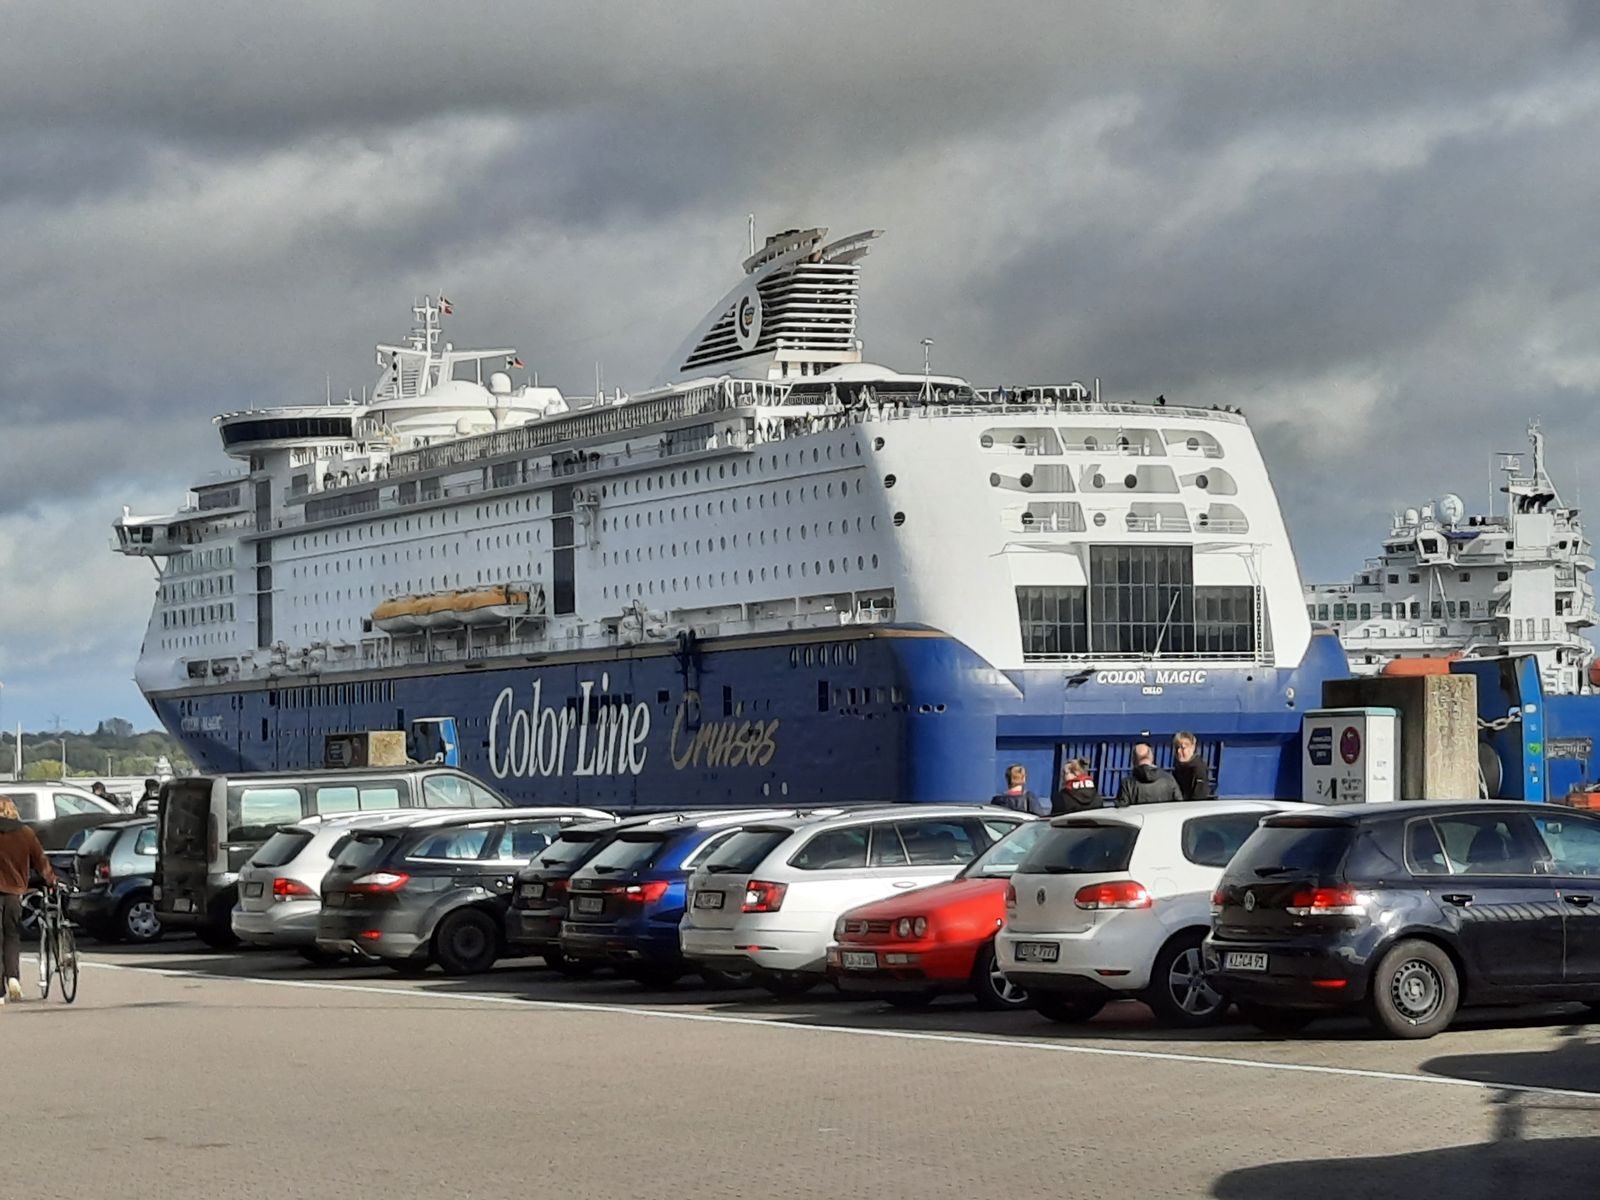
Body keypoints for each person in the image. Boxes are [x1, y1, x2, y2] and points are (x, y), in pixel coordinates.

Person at [0, 795, 56, 1004]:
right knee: (12, 936)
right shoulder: (25, 833)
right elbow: (41, 861)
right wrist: (50, 880)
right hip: (14, 891)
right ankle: (13, 978)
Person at [1115, 742, 1184, 807]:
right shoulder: (1169, 779)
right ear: (1151, 756)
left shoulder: (1127, 784)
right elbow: (1179, 805)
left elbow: (1122, 809)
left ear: (1133, 760)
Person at [1172, 731, 1215, 801]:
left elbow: (1200, 796)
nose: (1179, 751)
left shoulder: (1198, 769)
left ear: (1192, 748)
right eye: (1177, 747)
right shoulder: (1178, 766)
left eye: (1183, 748)